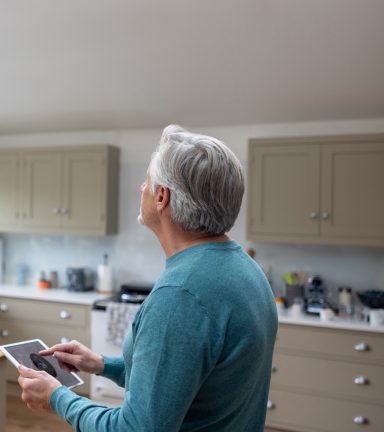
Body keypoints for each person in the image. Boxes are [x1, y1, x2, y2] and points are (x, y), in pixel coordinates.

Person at [17, 125, 278, 431]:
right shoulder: (247, 270)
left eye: (147, 181)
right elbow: (180, 382)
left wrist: (57, 397)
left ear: (161, 197)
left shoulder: (181, 295)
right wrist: (102, 364)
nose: (142, 188)